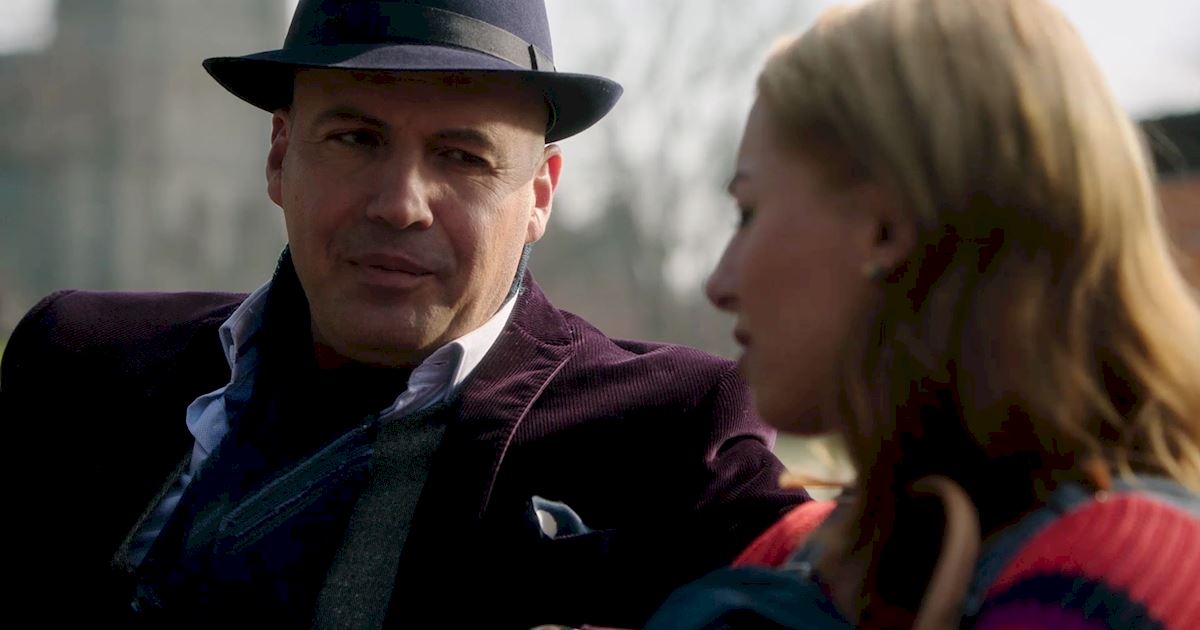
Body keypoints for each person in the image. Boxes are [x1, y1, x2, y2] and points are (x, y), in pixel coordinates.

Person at [0, 1, 807, 627]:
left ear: (539, 195)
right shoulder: (81, 367)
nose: (400, 203)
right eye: (356, 139)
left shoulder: (666, 433)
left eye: (462, 156)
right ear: (279, 156)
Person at [642, 0, 1200, 627]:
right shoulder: (806, 550)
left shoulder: (1124, 576)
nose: (720, 283)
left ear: (884, 228)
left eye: (747, 213)